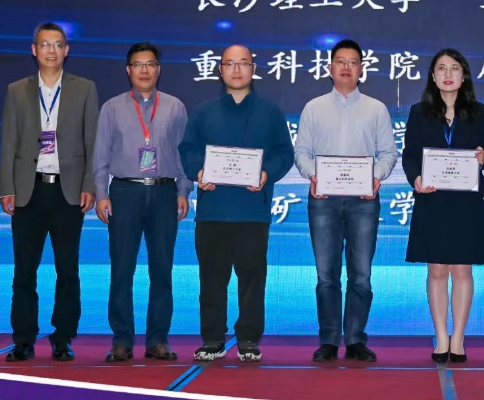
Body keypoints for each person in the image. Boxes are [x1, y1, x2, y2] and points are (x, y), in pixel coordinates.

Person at [179, 45, 294, 363]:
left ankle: (249, 339)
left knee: (252, 278)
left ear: (253, 69)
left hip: (252, 210)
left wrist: (267, 173)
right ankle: (212, 339)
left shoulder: (270, 112)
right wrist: (198, 172)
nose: (237, 69)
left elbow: (284, 152)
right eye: (230, 63)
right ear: (220, 70)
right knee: (211, 279)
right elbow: (188, 149)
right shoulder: (203, 111)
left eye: (244, 63)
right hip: (213, 209)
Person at [0, 22, 99, 363]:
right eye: (45, 44)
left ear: (67, 50)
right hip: (28, 191)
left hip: (68, 193)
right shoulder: (17, 90)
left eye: (57, 44)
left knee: (67, 270)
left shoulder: (84, 89)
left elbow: (93, 142)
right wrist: (6, 187)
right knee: (24, 271)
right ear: (34, 49)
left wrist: (89, 185)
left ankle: (63, 337)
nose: (51, 51)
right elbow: (8, 142)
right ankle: (23, 339)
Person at [293, 39, 397, 363]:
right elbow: (301, 152)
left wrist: (375, 178)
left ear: (361, 69)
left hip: (364, 200)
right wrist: (314, 176)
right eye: (340, 61)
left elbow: (389, 153)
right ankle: (328, 340)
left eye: (353, 62)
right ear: (330, 68)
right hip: (323, 199)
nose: (346, 67)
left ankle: (355, 339)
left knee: (361, 274)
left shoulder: (376, 109)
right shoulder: (313, 108)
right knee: (326, 275)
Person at [93, 43, 192, 364]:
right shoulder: (112, 107)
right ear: (128, 70)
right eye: (138, 64)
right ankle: (121, 340)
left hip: (164, 193)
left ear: (159, 69)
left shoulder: (175, 107)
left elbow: (183, 153)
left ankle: (158, 340)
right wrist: (101, 193)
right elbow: (100, 155)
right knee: (122, 269)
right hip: (125, 192)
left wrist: (183, 190)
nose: (144, 70)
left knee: (162, 270)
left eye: (150, 64)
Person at [402, 49, 484, 364]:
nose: (447, 74)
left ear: (463, 75)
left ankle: (459, 338)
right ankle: (441, 336)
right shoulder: (419, 112)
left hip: (465, 200)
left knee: (462, 270)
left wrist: (483, 157)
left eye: (454, 68)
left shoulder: (479, 111)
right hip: (432, 199)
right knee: (437, 270)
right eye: (441, 68)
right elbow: (410, 154)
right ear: (432, 76)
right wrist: (416, 178)